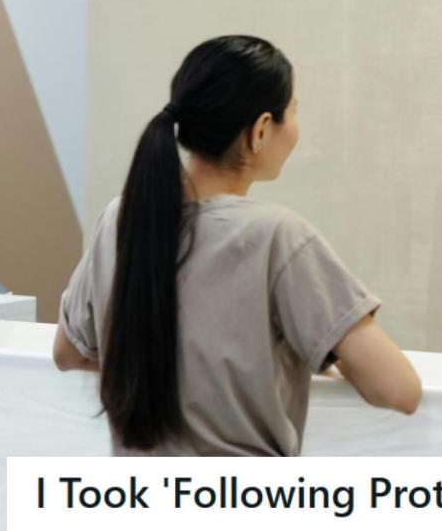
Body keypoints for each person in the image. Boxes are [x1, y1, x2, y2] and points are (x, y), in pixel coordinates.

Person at [52, 35, 421, 455]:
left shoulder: (120, 218)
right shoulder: (278, 237)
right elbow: (399, 390)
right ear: (261, 130)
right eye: (293, 112)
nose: (296, 128)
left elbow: (68, 353)